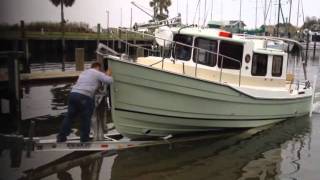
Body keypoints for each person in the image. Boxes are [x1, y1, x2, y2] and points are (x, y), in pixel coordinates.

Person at [57, 62, 113, 142]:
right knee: (85, 119)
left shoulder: (83, 73)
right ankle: (84, 140)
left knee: (69, 117)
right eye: (100, 69)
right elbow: (110, 81)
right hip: (84, 97)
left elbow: (92, 84)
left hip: (73, 95)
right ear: (98, 68)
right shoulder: (97, 73)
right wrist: (109, 73)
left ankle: (61, 137)